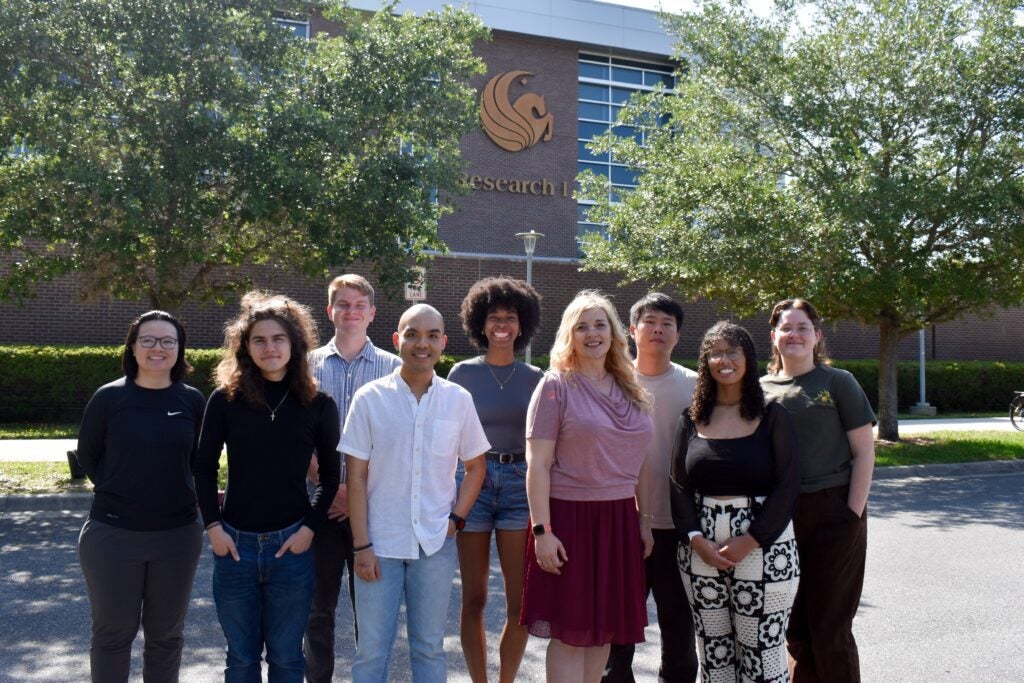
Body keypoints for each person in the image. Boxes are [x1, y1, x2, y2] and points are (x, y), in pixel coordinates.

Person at [194, 292, 340, 683]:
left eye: (278, 339)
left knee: (287, 659)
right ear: (245, 347)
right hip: (234, 547)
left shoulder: (319, 405)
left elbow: (330, 475)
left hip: (292, 548)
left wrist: (308, 529)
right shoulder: (225, 401)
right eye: (259, 340)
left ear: (295, 345)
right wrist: (213, 528)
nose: (269, 347)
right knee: (240, 659)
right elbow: (203, 467)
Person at [344, 303, 490, 682]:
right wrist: (361, 546)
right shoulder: (370, 398)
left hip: (434, 545)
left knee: (428, 648)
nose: (420, 344)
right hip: (379, 544)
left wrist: (457, 519)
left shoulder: (458, 400)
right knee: (371, 652)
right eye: (411, 334)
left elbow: (476, 467)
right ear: (397, 340)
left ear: (443, 342)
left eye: (430, 336)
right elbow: (355, 477)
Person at [521, 290, 654, 683]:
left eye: (600, 325)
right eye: (582, 327)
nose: (592, 333)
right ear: (570, 335)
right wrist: (542, 532)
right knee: (569, 634)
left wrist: (644, 521)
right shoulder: (555, 386)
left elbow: (644, 462)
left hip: (618, 521)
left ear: (614, 334)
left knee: (602, 634)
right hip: (569, 520)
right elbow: (538, 465)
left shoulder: (632, 387)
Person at [77, 310, 205, 682]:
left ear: (180, 350)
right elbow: (89, 457)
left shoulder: (193, 401)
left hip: (177, 537)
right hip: (112, 536)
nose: (157, 348)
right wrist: (124, 491)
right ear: (132, 347)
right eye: (147, 340)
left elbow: (198, 461)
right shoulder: (109, 398)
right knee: (113, 635)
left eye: (168, 341)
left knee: (166, 636)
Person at [670, 321, 800, 682]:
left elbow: (787, 486)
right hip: (700, 549)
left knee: (762, 654)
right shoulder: (691, 418)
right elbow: (678, 486)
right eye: (715, 352)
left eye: (732, 351)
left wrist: (751, 539)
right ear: (705, 361)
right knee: (714, 655)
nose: (723, 360)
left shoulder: (773, 416)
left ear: (748, 357)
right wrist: (696, 539)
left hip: (765, 548)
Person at [760, 299, 876, 683]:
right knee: (794, 628)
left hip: (833, 512)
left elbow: (864, 452)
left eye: (803, 327)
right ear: (774, 335)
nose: (794, 334)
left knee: (830, 628)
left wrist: (851, 514)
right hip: (780, 518)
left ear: (817, 336)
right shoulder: (757, 390)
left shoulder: (837, 382)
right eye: (786, 327)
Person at [303, 275, 400, 683]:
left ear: (373, 313)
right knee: (317, 610)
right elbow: (298, 434)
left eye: (359, 304)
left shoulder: (393, 367)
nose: (351, 311)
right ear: (330, 311)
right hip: (319, 508)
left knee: (371, 612)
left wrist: (355, 492)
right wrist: (332, 489)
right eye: (343, 304)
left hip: (374, 510)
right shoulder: (305, 365)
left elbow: (397, 436)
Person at [447, 277, 543, 683]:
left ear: (522, 326)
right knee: (474, 598)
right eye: (493, 317)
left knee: (520, 601)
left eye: (510, 317)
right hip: (474, 481)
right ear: (480, 325)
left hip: (521, 486)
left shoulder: (537, 377)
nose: (502, 324)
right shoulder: (460, 374)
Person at [604, 293, 699, 683]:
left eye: (667, 324)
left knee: (678, 625)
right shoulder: (611, 382)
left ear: (678, 334)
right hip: (622, 521)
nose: (658, 329)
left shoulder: (695, 386)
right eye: (650, 322)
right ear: (631, 329)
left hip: (679, 525)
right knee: (618, 624)